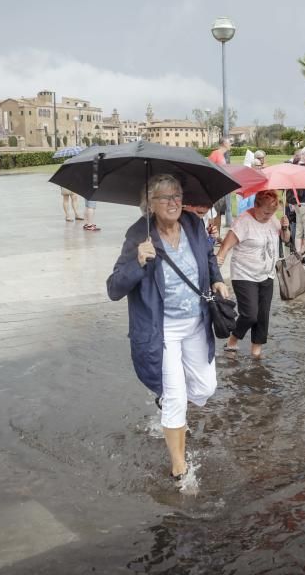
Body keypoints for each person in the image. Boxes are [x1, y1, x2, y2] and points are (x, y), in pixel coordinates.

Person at [106, 174, 230, 481]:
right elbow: (114, 288)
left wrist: (216, 278)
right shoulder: (138, 235)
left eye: (177, 196)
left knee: (205, 388)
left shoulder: (192, 224)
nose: (174, 202)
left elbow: (208, 256)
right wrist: (137, 261)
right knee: (176, 397)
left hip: (196, 323)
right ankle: (180, 468)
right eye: (165, 197)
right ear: (149, 204)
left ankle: (170, 406)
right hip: (162, 330)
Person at [216, 190, 290, 359]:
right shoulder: (243, 222)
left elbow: (286, 240)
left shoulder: (273, 220)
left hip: (267, 275)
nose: (268, 216)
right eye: (265, 212)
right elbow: (225, 248)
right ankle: (233, 339)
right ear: (255, 205)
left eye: (272, 213)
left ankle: (256, 351)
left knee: (262, 316)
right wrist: (215, 276)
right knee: (250, 314)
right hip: (244, 275)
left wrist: (285, 226)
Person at [208, 137, 234, 234]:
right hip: (215, 188)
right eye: (229, 142)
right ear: (223, 143)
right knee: (213, 213)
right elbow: (208, 168)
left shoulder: (222, 156)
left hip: (221, 187)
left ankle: (217, 235)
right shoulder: (215, 154)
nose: (231, 144)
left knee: (219, 213)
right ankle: (211, 235)